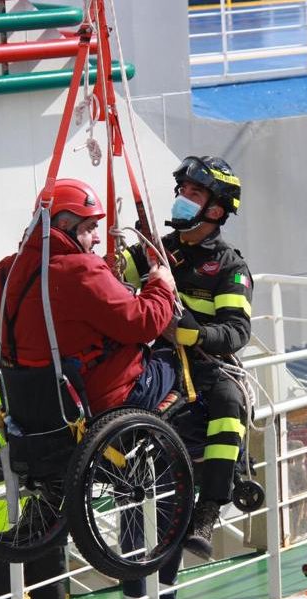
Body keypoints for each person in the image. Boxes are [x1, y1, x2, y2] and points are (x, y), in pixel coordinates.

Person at [121, 155, 252, 564]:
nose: (182, 198)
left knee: (231, 401)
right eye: (183, 191)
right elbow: (115, 277)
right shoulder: (156, 251)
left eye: (193, 193)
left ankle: (208, 510)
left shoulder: (230, 266)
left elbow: (237, 331)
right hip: (154, 359)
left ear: (215, 209)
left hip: (204, 365)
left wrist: (197, 334)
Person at [0, 177, 179, 416]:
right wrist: (160, 286)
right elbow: (143, 324)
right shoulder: (81, 270)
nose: (98, 237)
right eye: (90, 228)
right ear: (65, 224)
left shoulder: (4, 272)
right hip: (95, 398)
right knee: (176, 361)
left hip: (30, 404)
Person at [0, 397, 66, 599]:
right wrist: (25, 464)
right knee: (2, 595)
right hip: (2, 526)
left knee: (49, 585)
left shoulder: (51, 401)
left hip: (47, 512)